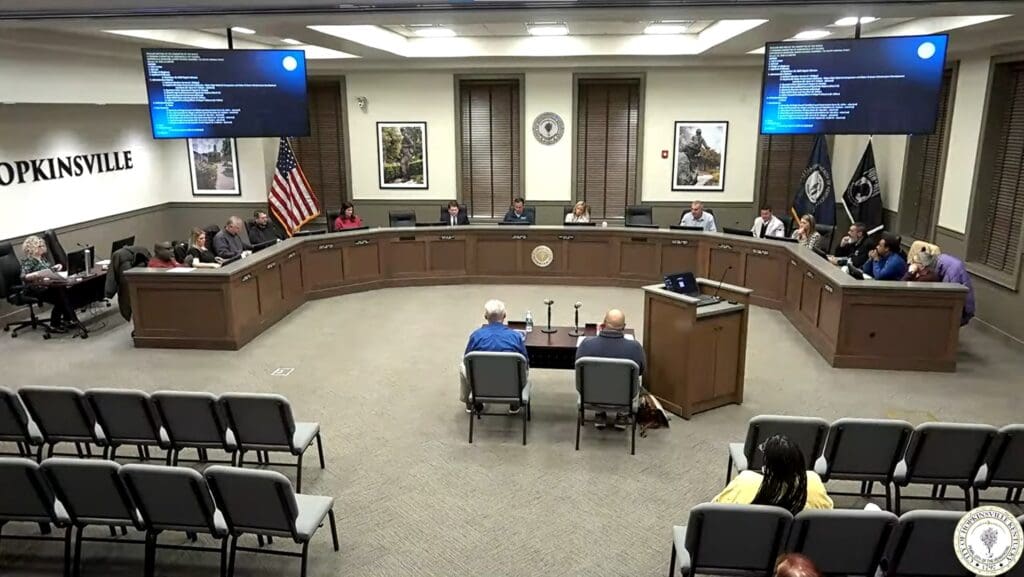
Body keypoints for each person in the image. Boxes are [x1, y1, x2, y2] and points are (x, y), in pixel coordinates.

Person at [712, 435, 833, 514]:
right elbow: (828, 511)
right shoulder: (813, 480)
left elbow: (715, 509)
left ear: (766, 466)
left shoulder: (745, 480)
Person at [575, 309, 646, 430]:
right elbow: (641, 371)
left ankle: (599, 412)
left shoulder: (586, 345)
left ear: (602, 325)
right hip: (624, 399)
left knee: (595, 378)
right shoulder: (635, 348)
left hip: (591, 397)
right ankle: (622, 416)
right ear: (624, 327)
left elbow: (578, 369)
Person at [461, 299, 529, 413]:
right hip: (510, 383)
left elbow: (466, 360)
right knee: (521, 366)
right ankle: (514, 403)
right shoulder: (515, 336)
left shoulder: (476, 336)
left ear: (485, 316)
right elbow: (525, 362)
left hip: (482, 382)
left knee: (463, 366)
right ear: (504, 316)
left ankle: (471, 403)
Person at [19, 235, 75, 331]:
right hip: (36, 290)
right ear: (31, 248)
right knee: (60, 297)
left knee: (64, 292)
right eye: (39, 246)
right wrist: (36, 274)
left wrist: (55, 268)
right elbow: (23, 276)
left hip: (48, 286)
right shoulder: (28, 261)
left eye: (42, 245)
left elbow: (47, 272)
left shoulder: (43, 259)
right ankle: (56, 324)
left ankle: (67, 319)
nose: (42, 247)